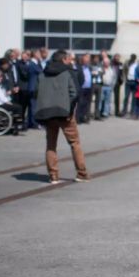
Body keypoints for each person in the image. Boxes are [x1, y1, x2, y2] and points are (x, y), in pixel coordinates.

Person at [34, 50, 89, 184]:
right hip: (65, 113)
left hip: (48, 114)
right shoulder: (68, 72)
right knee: (74, 143)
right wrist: (69, 108)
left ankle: (53, 175)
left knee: (51, 145)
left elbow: (36, 92)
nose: (70, 61)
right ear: (64, 59)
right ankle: (81, 173)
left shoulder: (42, 73)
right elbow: (74, 92)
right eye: (69, 59)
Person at [0, 69, 24, 136]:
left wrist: (10, 92)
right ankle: (17, 125)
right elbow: (2, 98)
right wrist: (9, 102)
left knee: (15, 106)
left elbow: (1, 95)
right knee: (18, 107)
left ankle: (16, 124)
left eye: (1, 76)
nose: (1, 78)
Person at [26, 49, 44, 129]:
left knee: (32, 106)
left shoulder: (36, 63)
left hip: (35, 87)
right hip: (33, 87)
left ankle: (30, 122)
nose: (40, 55)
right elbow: (41, 71)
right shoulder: (32, 64)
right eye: (39, 53)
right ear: (35, 54)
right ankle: (34, 123)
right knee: (34, 106)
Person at [74, 54, 92, 124]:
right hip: (81, 88)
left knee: (86, 104)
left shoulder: (89, 67)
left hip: (89, 87)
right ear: (82, 60)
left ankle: (83, 117)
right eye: (85, 59)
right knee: (80, 104)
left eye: (88, 59)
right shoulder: (78, 67)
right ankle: (78, 118)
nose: (87, 61)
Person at [90, 54, 104, 121]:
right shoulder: (90, 65)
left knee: (98, 100)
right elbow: (89, 73)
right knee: (89, 100)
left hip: (99, 84)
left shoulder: (100, 65)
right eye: (95, 58)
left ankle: (97, 115)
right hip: (92, 84)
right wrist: (93, 73)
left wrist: (101, 72)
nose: (96, 60)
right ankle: (88, 115)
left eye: (97, 58)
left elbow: (103, 71)